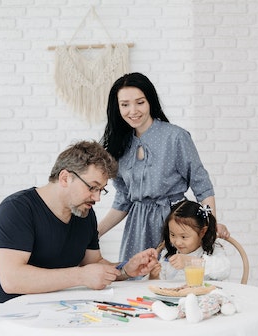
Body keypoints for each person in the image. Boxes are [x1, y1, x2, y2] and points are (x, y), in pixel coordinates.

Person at [0, 141, 158, 336]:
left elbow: (94, 264)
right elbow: (12, 279)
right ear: (65, 178)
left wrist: (126, 269)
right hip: (8, 329)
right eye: (92, 187)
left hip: (58, 318)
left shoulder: (84, 214)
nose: (97, 198)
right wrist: (81, 275)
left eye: (101, 189)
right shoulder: (17, 210)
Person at [98, 72, 229, 266]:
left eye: (140, 102)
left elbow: (202, 185)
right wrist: (95, 233)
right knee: (136, 280)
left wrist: (210, 224)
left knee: (173, 279)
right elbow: (123, 199)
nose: (132, 110)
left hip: (175, 223)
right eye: (125, 104)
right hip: (137, 227)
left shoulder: (176, 137)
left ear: (150, 102)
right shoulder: (118, 145)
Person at [149, 200, 230, 282]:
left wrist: (190, 261)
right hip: (174, 294)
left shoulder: (211, 250)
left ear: (202, 232)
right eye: (173, 235)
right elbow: (162, 282)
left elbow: (225, 270)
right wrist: (154, 276)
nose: (177, 242)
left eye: (184, 237)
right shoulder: (169, 253)